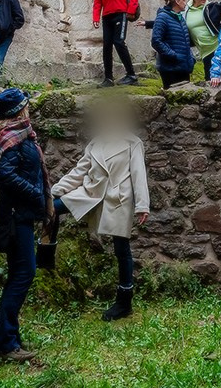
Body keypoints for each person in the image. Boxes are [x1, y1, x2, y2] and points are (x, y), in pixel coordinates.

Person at [51, 97, 150, 321]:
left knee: (121, 248)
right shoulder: (96, 142)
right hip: (90, 193)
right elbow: (79, 171)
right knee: (51, 208)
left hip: (117, 199)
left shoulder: (132, 142)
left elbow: (138, 174)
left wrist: (142, 205)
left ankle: (124, 301)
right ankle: (46, 249)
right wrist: (55, 191)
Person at [0, 88, 54, 361]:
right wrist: (35, 193)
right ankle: (5, 345)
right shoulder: (12, 138)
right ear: (20, 110)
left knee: (18, 275)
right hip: (15, 217)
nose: (29, 109)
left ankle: (8, 339)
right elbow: (6, 174)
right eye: (27, 106)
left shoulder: (21, 135)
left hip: (19, 215)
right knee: (24, 274)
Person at [93, 0, 140, 88]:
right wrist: (96, 17)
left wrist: (130, 9)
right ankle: (108, 79)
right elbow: (98, 0)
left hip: (121, 13)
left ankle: (131, 75)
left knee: (118, 42)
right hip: (107, 16)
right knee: (107, 46)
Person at [151, 0, 196, 89]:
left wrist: (191, 58)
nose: (185, 4)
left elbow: (185, 42)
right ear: (177, 1)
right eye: (183, 1)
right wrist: (173, 55)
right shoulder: (162, 17)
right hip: (170, 68)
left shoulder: (181, 19)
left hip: (183, 67)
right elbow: (156, 41)